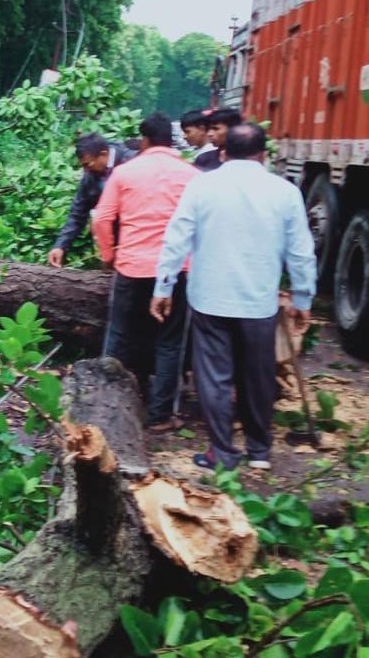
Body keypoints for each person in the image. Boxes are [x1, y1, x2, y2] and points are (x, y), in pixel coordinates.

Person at [150, 123, 316, 471]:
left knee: (214, 377)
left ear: (224, 153)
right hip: (258, 302)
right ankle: (259, 452)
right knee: (258, 375)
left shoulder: (202, 186)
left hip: (210, 298)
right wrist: (303, 297)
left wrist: (163, 288)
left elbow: (176, 239)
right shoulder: (284, 192)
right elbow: (301, 250)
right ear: (264, 154)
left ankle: (222, 453)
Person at [90, 112, 199, 431]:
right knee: (169, 341)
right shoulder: (191, 175)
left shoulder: (124, 172)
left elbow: (101, 218)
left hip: (132, 266)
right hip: (176, 270)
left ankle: (103, 407)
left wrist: (109, 255)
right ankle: (161, 415)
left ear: (146, 140)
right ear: (172, 140)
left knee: (119, 333)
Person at [47, 133, 137, 268]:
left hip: (139, 241)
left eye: (87, 164)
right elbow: (77, 214)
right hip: (113, 245)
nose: (85, 169)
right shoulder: (90, 177)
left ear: (103, 154)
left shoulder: (133, 162)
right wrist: (60, 246)